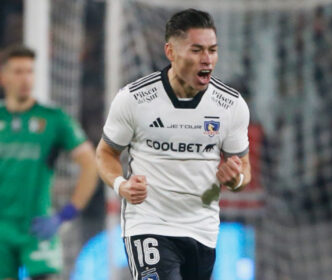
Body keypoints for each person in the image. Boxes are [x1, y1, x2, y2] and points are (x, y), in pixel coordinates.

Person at [96, 8, 251, 280]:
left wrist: (236, 179)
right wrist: (122, 185)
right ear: (170, 52)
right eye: (196, 50)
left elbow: (243, 168)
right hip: (148, 223)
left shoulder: (231, 105)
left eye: (212, 50)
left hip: (201, 228)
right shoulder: (134, 99)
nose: (207, 60)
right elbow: (106, 153)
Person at [0, 45, 98, 280]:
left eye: (30, 71)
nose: (26, 79)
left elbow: (90, 164)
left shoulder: (53, 119)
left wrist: (66, 213)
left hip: (36, 225)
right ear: (3, 76)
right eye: (18, 72)